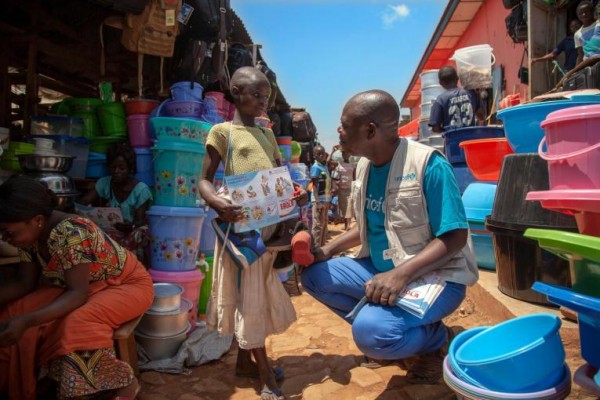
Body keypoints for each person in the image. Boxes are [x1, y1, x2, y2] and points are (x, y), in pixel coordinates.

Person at [301, 90, 479, 384]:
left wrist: (400, 275)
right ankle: (398, 331)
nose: (339, 130)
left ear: (370, 131)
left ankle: (435, 342)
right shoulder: (365, 166)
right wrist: (328, 248)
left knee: (371, 333)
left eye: (345, 125)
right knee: (315, 276)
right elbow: (371, 225)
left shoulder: (428, 165)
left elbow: (456, 237)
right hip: (382, 270)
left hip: (437, 277)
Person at [198, 66, 307, 400]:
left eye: (266, 96)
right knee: (252, 297)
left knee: (257, 290)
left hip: (269, 227)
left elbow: (279, 175)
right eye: (257, 94)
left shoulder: (266, 133)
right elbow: (202, 180)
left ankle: (245, 364)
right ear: (235, 92)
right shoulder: (222, 132)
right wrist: (217, 201)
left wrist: (294, 191)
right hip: (242, 229)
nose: (263, 102)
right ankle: (263, 376)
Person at [0, 176, 153, 400]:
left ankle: (117, 385)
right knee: (13, 313)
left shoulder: (72, 233)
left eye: (8, 233)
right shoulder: (29, 238)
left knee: (77, 324)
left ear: (37, 220)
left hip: (127, 284)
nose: (5, 239)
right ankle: (28, 381)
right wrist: (22, 318)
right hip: (86, 286)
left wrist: (27, 321)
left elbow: (77, 295)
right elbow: (24, 284)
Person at [79, 143, 153, 263]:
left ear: (130, 169)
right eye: (113, 167)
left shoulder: (141, 190)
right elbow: (85, 201)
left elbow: (140, 220)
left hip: (131, 231)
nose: (116, 171)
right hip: (111, 230)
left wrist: (131, 226)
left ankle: (129, 265)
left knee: (141, 232)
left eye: (121, 168)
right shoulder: (105, 183)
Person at [428, 66, 484, 133]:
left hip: (452, 141)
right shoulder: (471, 93)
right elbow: (482, 116)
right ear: (457, 79)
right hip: (470, 140)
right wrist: (478, 95)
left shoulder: (440, 100)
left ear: (440, 83)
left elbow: (435, 128)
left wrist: (447, 131)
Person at [310, 145, 332, 248]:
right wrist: (317, 202)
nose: (321, 155)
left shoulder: (324, 166)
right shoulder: (315, 167)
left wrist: (332, 152)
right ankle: (315, 248)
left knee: (324, 224)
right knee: (317, 225)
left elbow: (327, 161)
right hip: (319, 201)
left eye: (322, 153)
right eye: (318, 154)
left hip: (326, 200)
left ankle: (322, 248)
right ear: (314, 156)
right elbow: (314, 186)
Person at [331, 150, 355, 231]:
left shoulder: (352, 165)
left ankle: (348, 225)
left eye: (347, 153)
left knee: (349, 206)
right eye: (344, 153)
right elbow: (335, 177)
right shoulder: (339, 165)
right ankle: (346, 225)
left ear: (349, 154)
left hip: (350, 189)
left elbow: (354, 177)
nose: (345, 154)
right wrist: (335, 187)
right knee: (343, 208)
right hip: (342, 190)